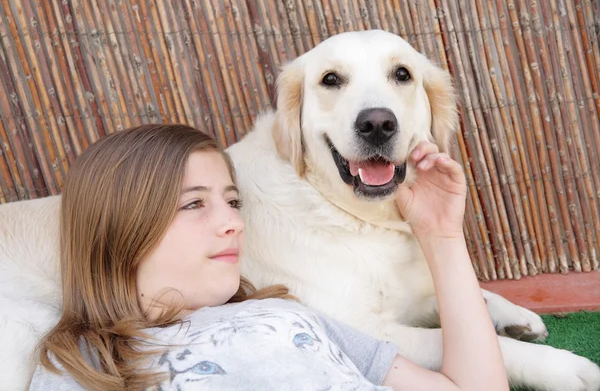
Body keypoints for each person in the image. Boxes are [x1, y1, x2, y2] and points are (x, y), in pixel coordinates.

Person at [29, 124, 508, 391]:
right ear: (119, 229)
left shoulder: (285, 315)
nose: (233, 222)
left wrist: (440, 235)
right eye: (195, 203)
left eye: (233, 201)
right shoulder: (83, 363)